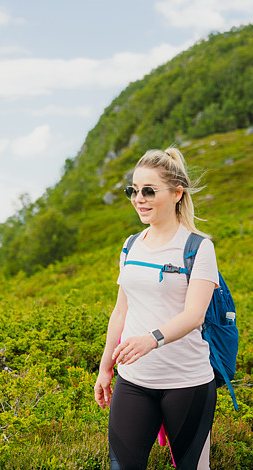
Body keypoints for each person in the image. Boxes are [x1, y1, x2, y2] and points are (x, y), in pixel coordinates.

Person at [94, 148, 219, 470]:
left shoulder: (198, 247)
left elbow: (195, 316)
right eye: (133, 191)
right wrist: (106, 366)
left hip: (187, 382)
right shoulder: (130, 244)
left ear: (177, 193)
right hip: (133, 380)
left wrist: (151, 340)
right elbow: (120, 311)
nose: (139, 198)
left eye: (149, 191)